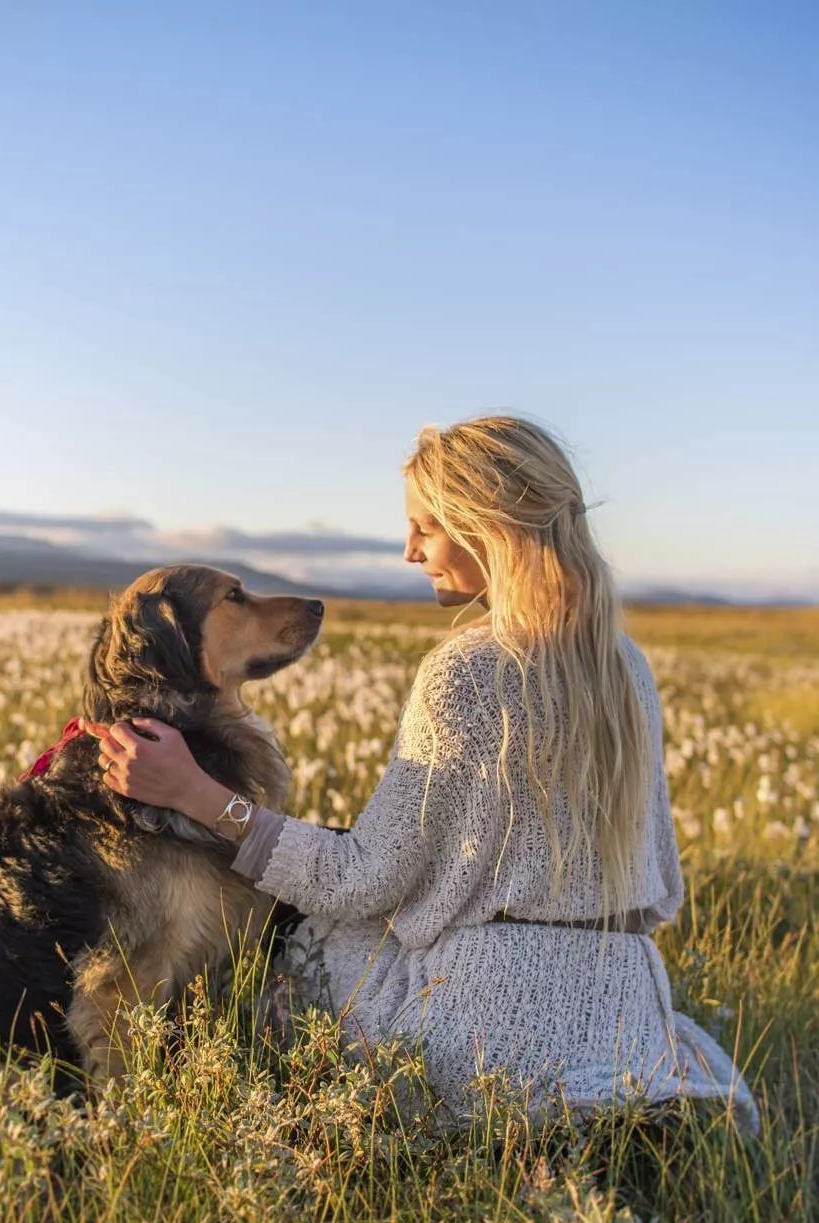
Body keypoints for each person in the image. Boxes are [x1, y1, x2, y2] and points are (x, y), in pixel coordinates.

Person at [92, 413, 760, 1136]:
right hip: (626, 1003)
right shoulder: (626, 663)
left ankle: (519, 1107)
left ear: (489, 527)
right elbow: (662, 884)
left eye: (427, 528)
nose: (411, 552)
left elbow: (360, 879)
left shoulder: (466, 671)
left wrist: (198, 794)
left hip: (478, 1024)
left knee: (294, 945)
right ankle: (609, 1097)